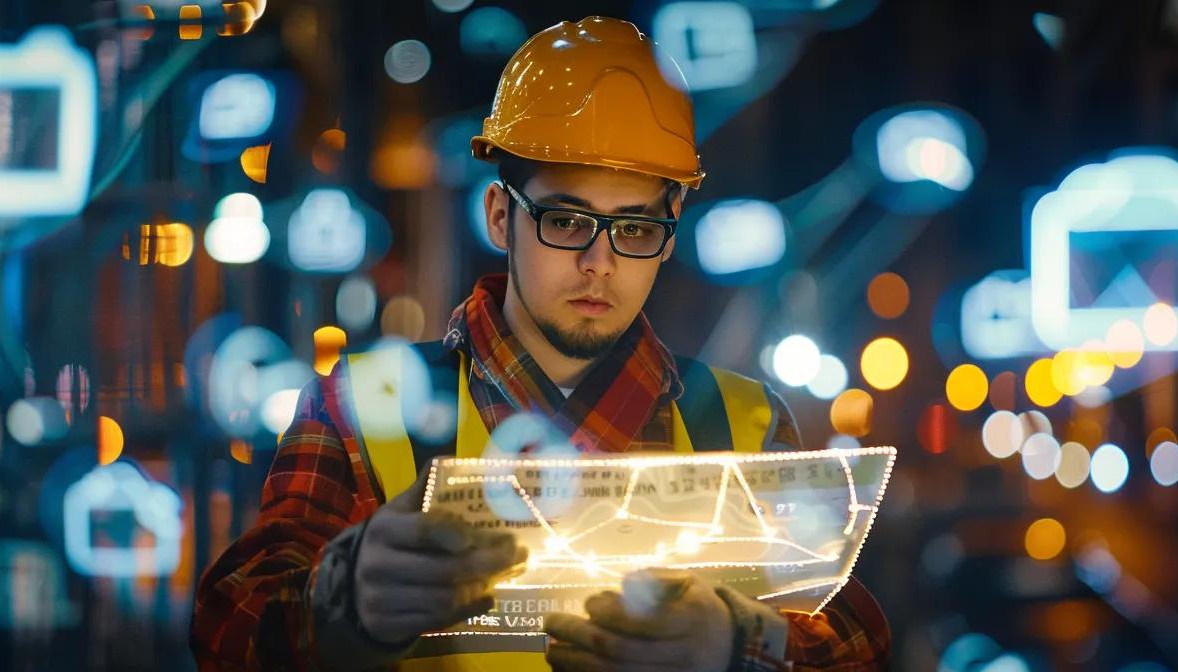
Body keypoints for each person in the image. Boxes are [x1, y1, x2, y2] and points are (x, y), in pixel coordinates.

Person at [192, 16, 890, 671]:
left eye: (635, 229)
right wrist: (340, 601)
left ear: (670, 229)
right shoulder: (365, 411)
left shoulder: (746, 422)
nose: (600, 262)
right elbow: (229, 631)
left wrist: (741, 643)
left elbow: (858, 645)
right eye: (566, 218)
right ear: (502, 214)